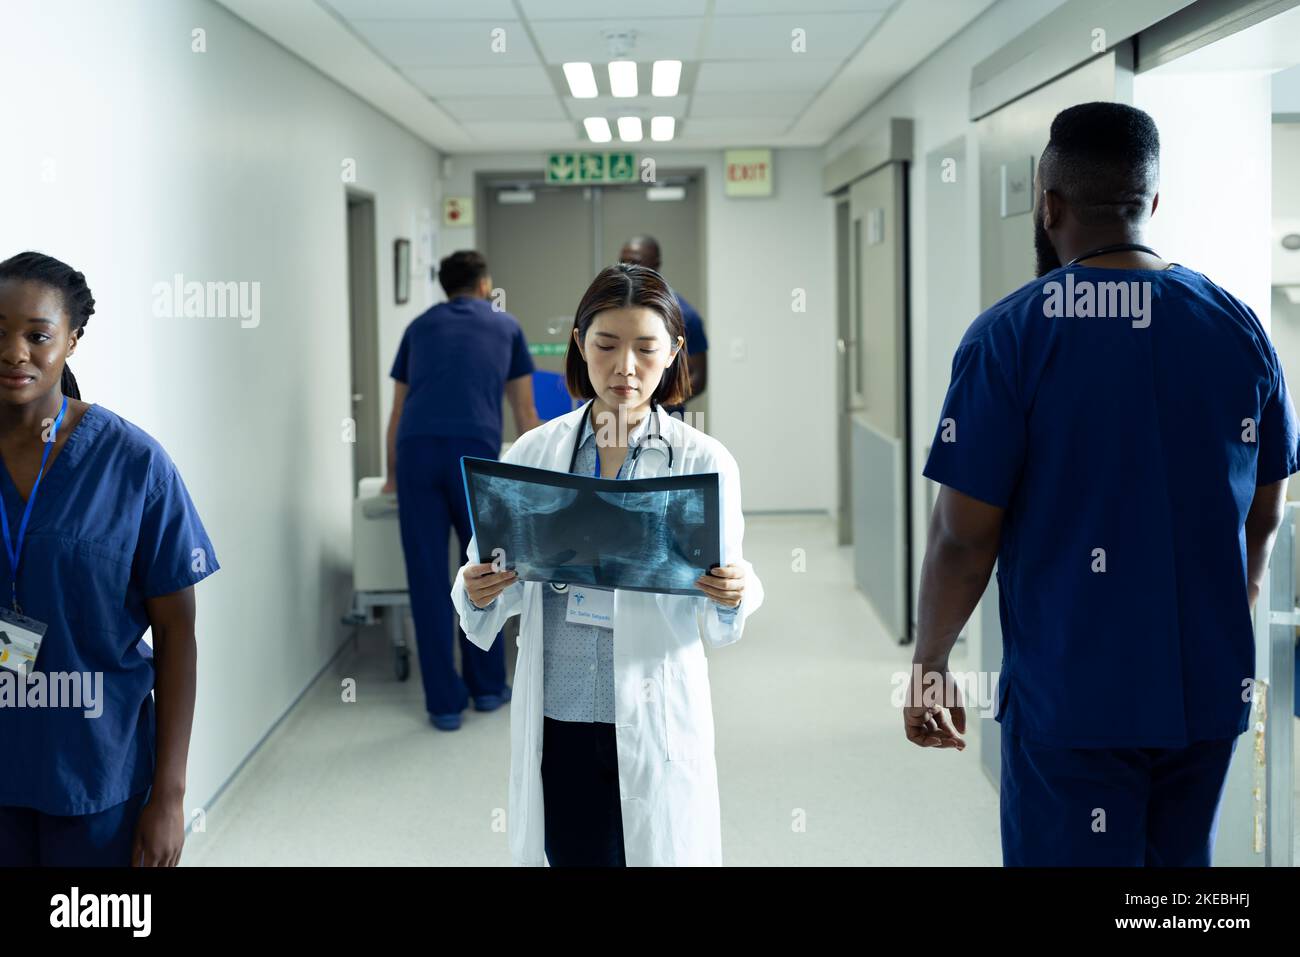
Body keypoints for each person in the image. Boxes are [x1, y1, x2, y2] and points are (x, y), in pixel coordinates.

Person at [907, 102, 1300, 866]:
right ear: (1151, 203)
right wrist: (1224, 610)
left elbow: (964, 534)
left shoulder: (1011, 336)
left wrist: (929, 662)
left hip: (1071, 699)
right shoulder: (1239, 328)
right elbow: (1265, 512)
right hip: (1205, 692)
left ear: (1048, 205)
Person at [450, 263, 762, 866]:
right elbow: (484, 582)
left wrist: (735, 590)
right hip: (560, 708)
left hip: (653, 709)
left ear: (673, 352)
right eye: (606, 345)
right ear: (578, 343)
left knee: (655, 846)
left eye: (646, 349)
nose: (625, 368)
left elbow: (729, 587)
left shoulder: (702, 459)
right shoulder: (537, 452)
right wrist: (479, 588)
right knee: (573, 852)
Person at [0, 252, 220, 866]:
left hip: (98, 775)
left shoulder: (133, 465)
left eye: (37, 335)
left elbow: (178, 633)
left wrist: (170, 797)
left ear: (71, 339)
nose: (15, 352)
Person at [384, 250, 540, 731]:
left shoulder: (419, 327)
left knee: (428, 578)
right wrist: (539, 482)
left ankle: (444, 705)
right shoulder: (506, 325)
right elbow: (526, 415)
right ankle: (488, 687)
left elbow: (398, 411)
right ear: (483, 284)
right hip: (474, 456)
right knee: (485, 570)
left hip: (416, 454)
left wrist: (392, 475)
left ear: (445, 287)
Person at [619, 236, 707, 416]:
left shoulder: (684, 316)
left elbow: (698, 377)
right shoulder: (614, 310)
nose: (627, 269)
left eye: (635, 262)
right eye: (623, 262)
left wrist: (655, 405)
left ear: (656, 264)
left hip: (664, 418)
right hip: (615, 415)